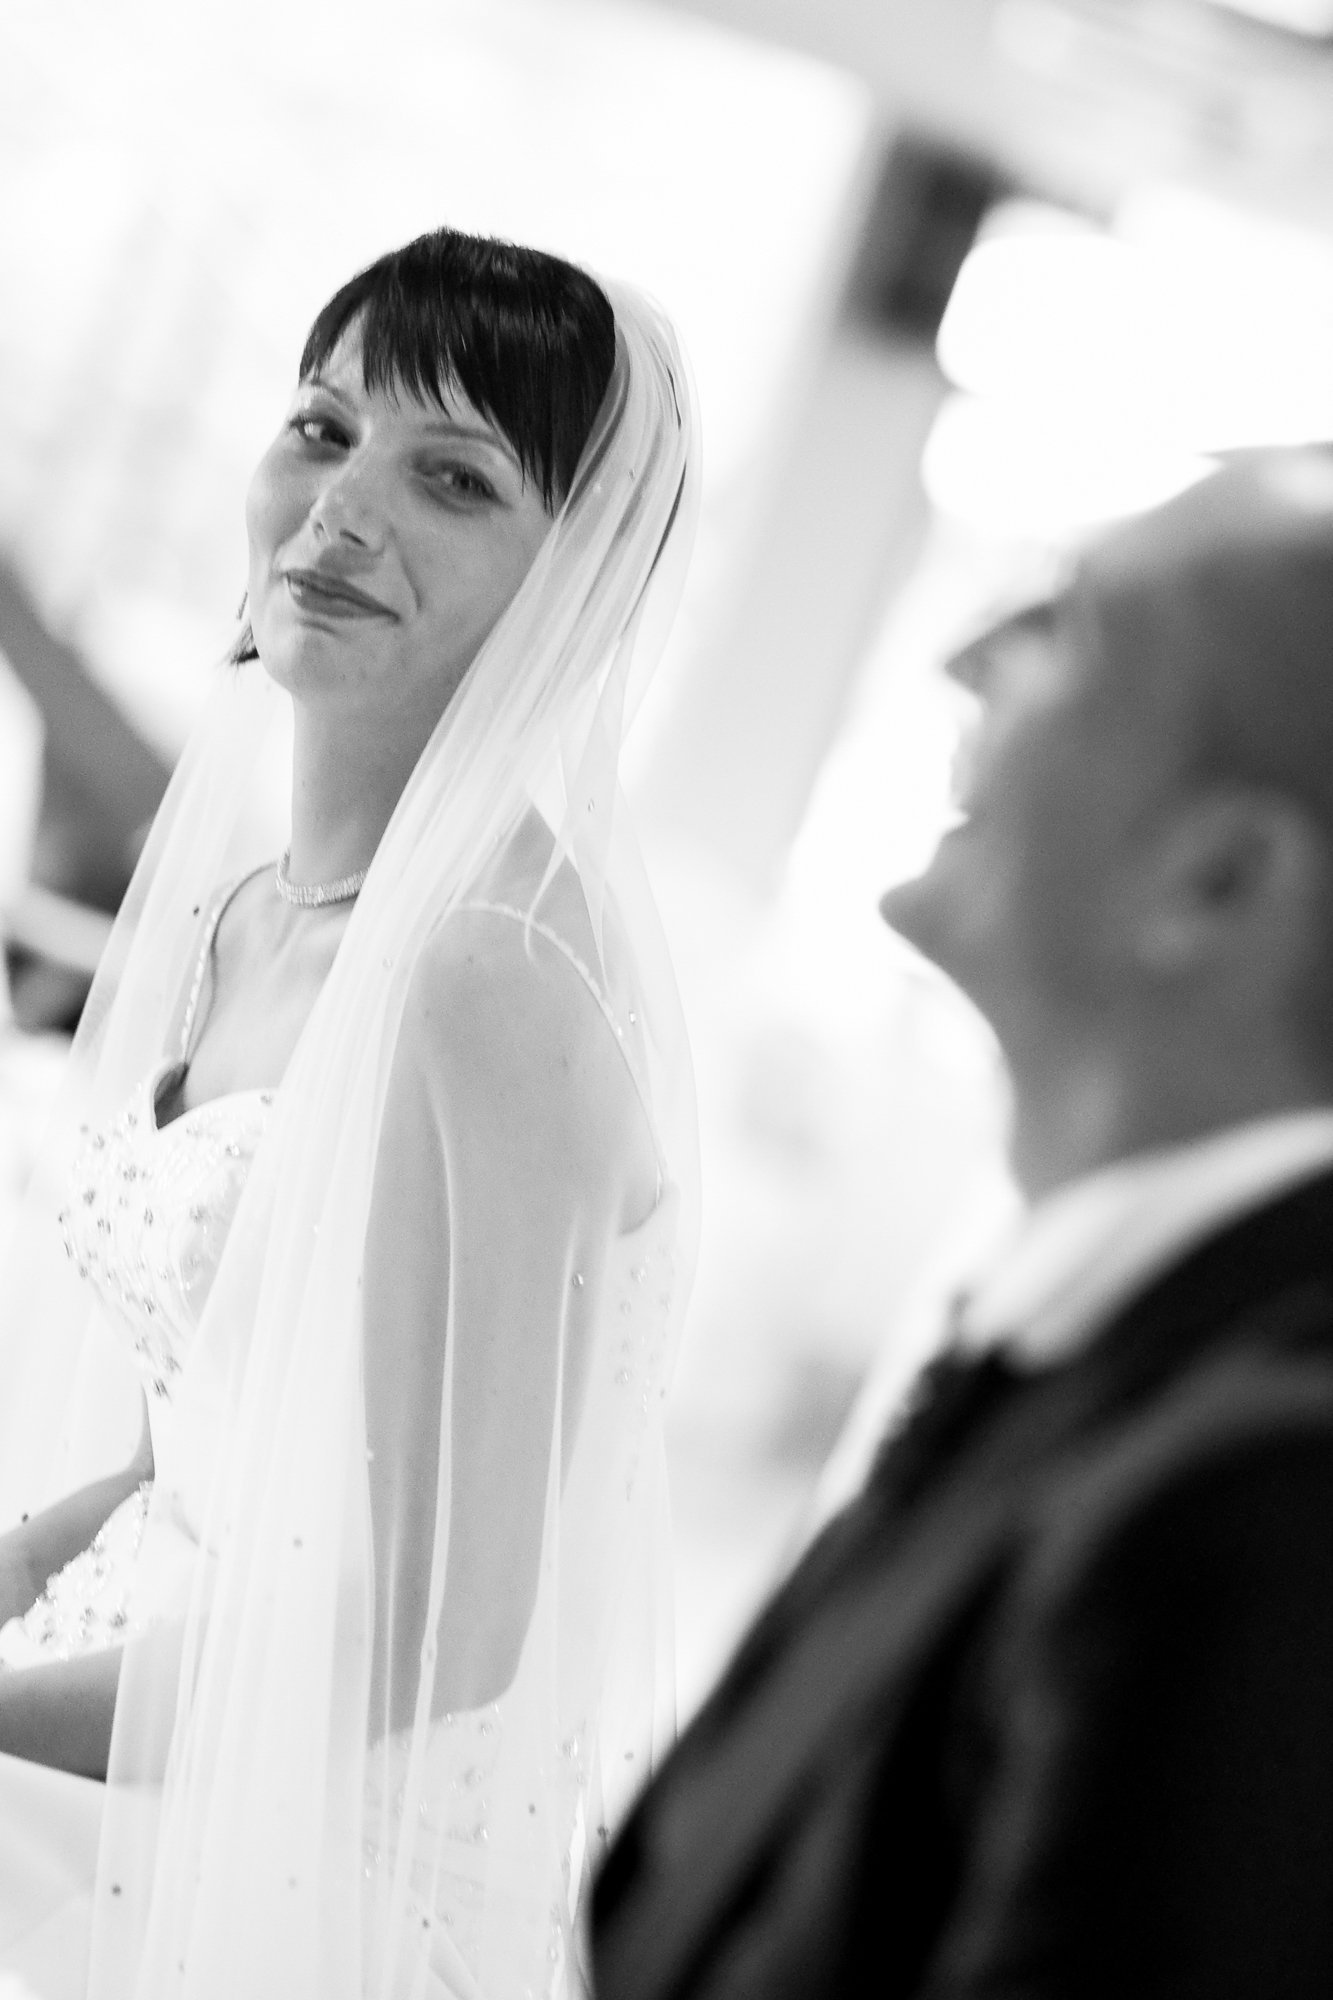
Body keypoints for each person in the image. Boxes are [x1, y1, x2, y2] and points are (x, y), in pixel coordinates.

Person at [0, 225, 699, 1999]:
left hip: (289, 1856)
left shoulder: (487, 974)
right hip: (128, 1701)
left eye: (451, 475)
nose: (345, 507)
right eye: (323, 429)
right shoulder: (253, 908)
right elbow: (215, 1446)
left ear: (580, 585)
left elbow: (424, 1647)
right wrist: (18, 1560)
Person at [592, 447, 1333, 1999]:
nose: (955, 664)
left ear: (1213, 882)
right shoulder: (1093, 1347)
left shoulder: (1257, 1503)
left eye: (1063, 628)